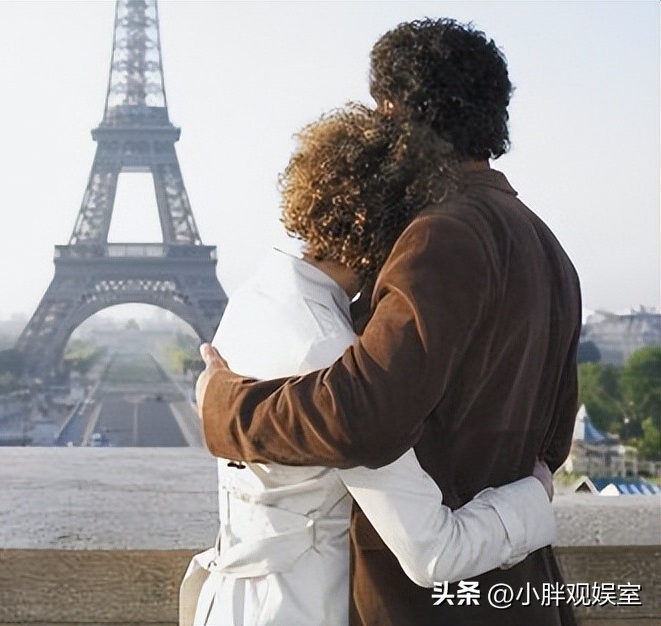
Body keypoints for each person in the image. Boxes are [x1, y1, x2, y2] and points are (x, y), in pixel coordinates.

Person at [194, 18, 581, 626]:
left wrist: (224, 406)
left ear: (392, 109)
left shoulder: (440, 234)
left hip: (428, 605)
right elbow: (551, 442)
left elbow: (362, 418)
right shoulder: (547, 246)